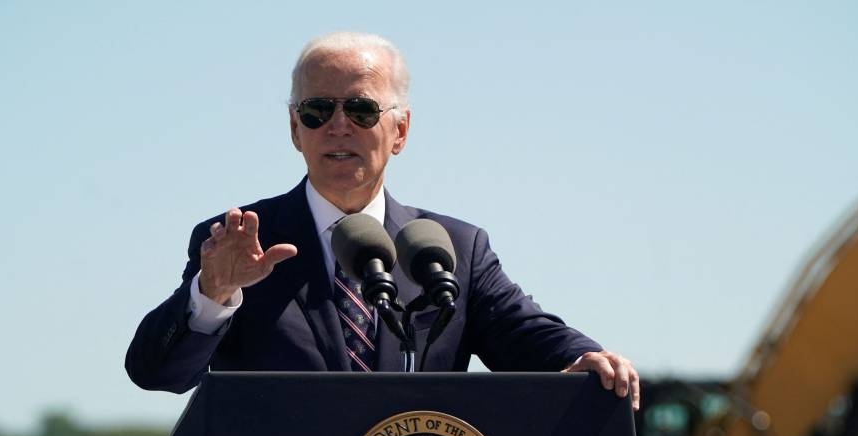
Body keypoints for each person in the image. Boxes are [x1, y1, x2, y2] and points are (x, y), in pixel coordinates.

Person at [125, 31, 639, 408]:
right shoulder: (239, 242)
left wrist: (587, 358)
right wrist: (211, 296)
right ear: (294, 129)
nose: (338, 127)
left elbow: (527, 335)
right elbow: (157, 373)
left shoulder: (449, 247)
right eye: (317, 111)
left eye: (363, 110)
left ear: (400, 131)